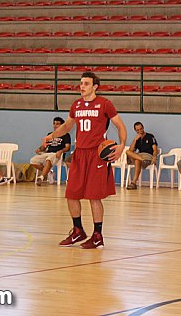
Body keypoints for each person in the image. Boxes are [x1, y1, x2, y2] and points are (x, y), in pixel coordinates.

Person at [49, 71, 127, 249]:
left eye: (86, 83)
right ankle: (78, 231)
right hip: (79, 153)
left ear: (95, 86)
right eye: (81, 83)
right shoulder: (76, 105)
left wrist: (122, 145)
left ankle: (97, 235)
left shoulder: (105, 104)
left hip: (96, 155)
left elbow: (120, 125)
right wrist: (52, 136)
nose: (82, 86)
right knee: (71, 194)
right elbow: (67, 126)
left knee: (94, 196)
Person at [31, 117, 71, 186]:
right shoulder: (50, 134)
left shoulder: (66, 135)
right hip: (48, 153)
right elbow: (44, 146)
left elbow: (67, 148)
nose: (55, 125)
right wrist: (39, 149)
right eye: (54, 124)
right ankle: (49, 172)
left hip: (57, 154)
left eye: (57, 124)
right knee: (33, 161)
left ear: (62, 125)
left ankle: (41, 177)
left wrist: (61, 151)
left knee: (49, 159)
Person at [125, 122, 158, 190]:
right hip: (140, 156)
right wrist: (135, 140)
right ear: (135, 130)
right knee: (127, 152)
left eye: (141, 129)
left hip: (148, 156)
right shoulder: (137, 139)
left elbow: (155, 149)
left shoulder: (150, 136)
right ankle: (142, 160)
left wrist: (154, 157)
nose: (140, 131)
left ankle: (133, 183)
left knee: (137, 161)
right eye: (138, 130)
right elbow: (131, 150)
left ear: (143, 128)